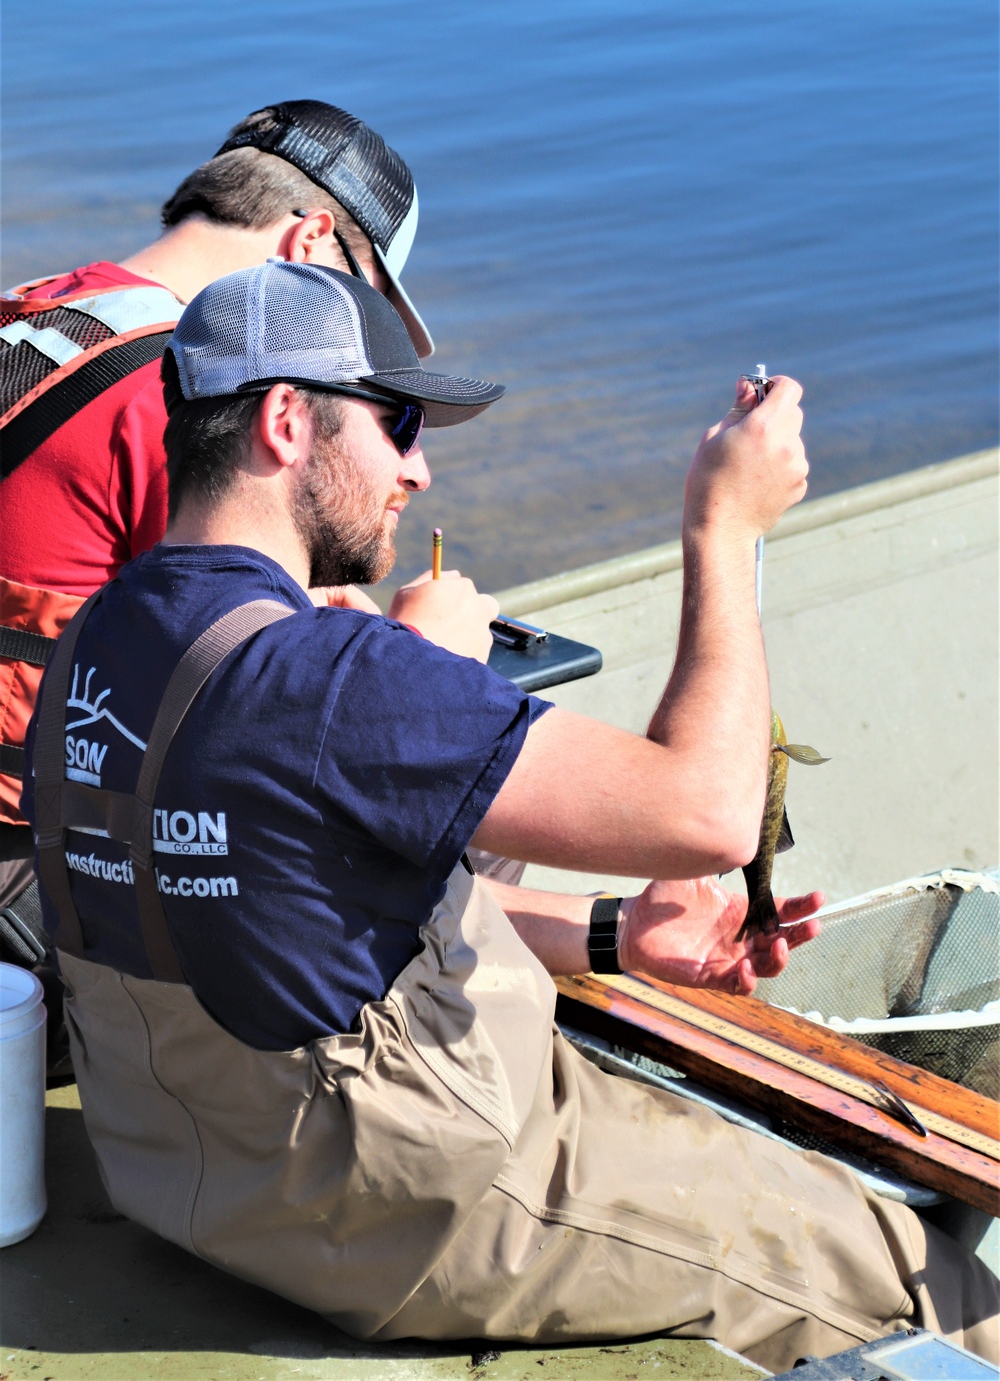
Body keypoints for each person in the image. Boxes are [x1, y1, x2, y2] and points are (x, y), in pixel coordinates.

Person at [21, 262, 997, 1373]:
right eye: (395, 424)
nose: (420, 469)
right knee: (910, 1265)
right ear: (287, 421)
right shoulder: (335, 678)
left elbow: (275, 909)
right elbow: (711, 812)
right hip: (424, 1210)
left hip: (192, 1180)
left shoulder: (100, 641)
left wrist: (610, 936)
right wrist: (723, 527)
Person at [0, 97, 465, 1003]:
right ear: (310, 241)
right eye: (360, 300)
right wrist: (422, 660)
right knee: (413, 825)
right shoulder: (182, 394)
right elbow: (262, 714)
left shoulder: (45, 310)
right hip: (20, 870)